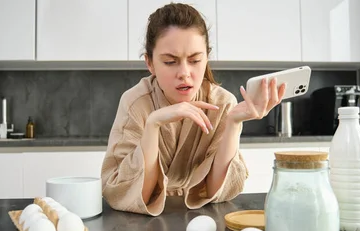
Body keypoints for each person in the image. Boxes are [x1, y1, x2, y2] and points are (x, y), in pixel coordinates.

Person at [100, 3, 286, 216]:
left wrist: (234, 123)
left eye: (195, 60)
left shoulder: (223, 103)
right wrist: (153, 124)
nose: (185, 73)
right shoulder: (135, 103)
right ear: (150, 63)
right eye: (170, 62)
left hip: (200, 215)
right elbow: (128, 193)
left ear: (206, 58)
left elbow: (216, 190)